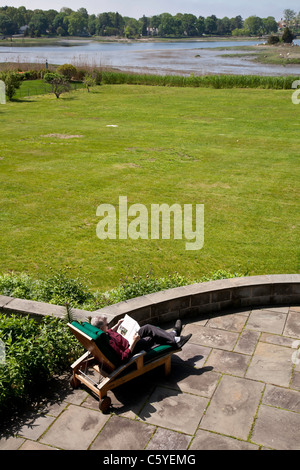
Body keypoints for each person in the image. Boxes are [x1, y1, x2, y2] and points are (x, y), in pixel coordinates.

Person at [91, 315, 192, 363]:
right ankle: (175, 338)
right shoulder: (109, 343)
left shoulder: (101, 334)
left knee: (147, 328)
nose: (109, 325)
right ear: (101, 328)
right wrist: (134, 342)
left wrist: (117, 325)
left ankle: (174, 334)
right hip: (132, 347)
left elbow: (109, 332)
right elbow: (123, 357)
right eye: (107, 324)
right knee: (152, 335)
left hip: (128, 340)